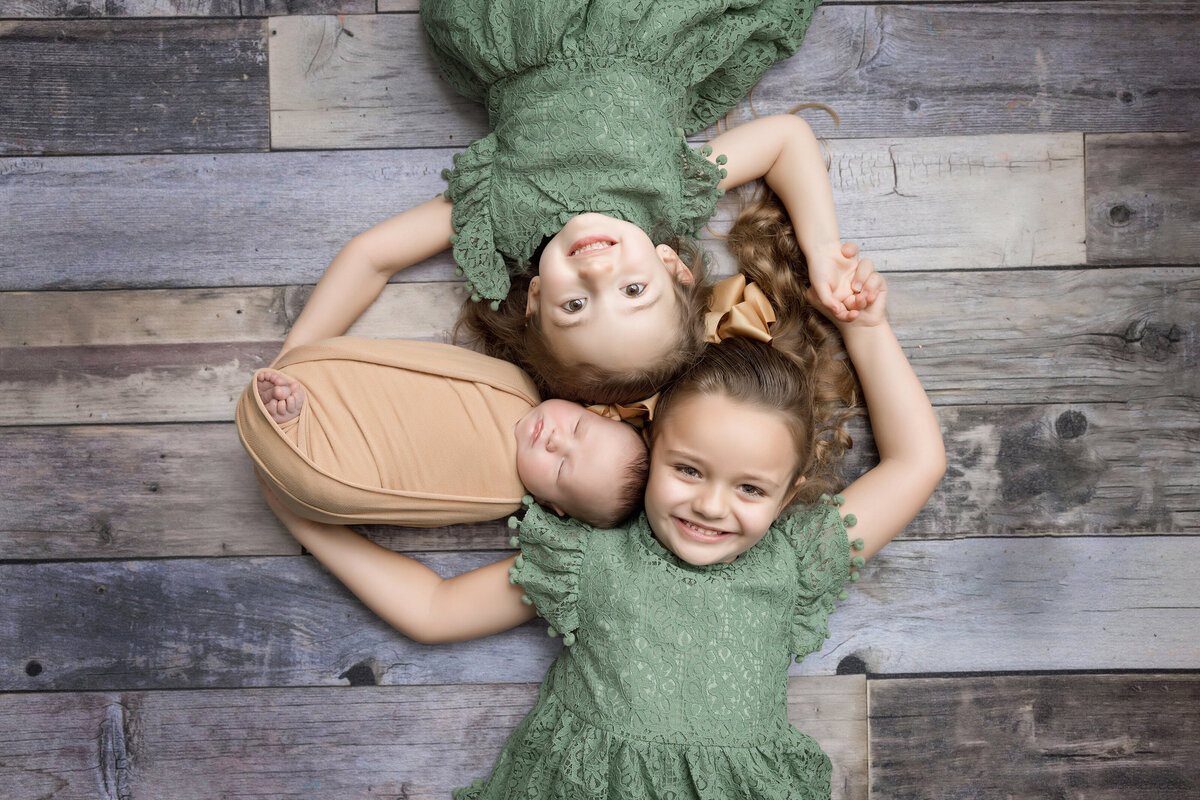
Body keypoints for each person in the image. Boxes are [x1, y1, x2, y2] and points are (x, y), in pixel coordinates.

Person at [256, 235, 947, 797]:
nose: (710, 505)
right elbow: (434, 609)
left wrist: (868, 325)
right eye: (688, 470)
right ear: (652, 447)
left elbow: (917, 462)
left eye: (750, 490)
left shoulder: (796, 559)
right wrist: (305, 520)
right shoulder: (590, 556)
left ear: (791, 489)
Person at [277, 0, 872, 403]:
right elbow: (786, 143)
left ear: (536, 295)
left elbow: (372, 257)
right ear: (671, 265)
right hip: (647, 24)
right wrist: (822, 254)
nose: (596, 270)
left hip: (522, 25)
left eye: (575, 305)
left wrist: (293, 362)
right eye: (633, 292)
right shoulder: (670, 189)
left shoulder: (501, 215)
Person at [237, 337, 647, 530]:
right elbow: (421, 363)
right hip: (367, 396)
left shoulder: (498, 495)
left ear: (550, 503)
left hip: (356, 461)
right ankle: (300, 407)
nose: (557, 440)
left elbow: (414, 505)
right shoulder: (514, 384)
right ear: (588, 409)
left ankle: (295, 429)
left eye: (560, 469)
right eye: (577, 427)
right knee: (364, 386)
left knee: (336, 478)